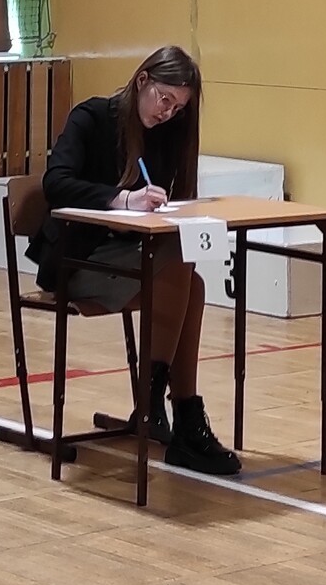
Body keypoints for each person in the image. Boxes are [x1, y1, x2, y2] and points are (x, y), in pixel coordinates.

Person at [28, 45, 238, 477]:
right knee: (183, 271)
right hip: (77, 258)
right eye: (164, 99)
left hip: (129, 255)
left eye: (178, 108)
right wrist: (121, 199)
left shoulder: (168, 133)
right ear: (142, 80)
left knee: (192, 281)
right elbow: (56, 182)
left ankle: (171, 410)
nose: (168, 113)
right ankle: (165, 408)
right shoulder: (91, 117)